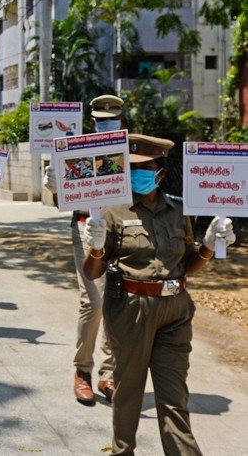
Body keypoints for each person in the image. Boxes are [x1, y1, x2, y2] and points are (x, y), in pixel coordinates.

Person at [82, 134, 236, 455]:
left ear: (161, 172)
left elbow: (187, 265)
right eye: (132, 168)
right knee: (128, 394)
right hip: (131, 309)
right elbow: (92, 272)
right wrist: (95, 247)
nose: (137, 174)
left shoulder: (179, 210)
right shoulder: (112, 212)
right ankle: (123, 450)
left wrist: (209, 245)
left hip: (175, 310)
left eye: (145, 167)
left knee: (174, 397)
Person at [43, 94, 122, 404]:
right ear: (92, 122)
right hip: (87, 227)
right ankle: (83, 371)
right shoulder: (77, 148)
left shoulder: (130, 151)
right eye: (102, 120)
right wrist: (54, 183)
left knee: (119, 299)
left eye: (112, 119)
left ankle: (109, 373)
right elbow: (64, 192)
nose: (107, 124)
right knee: (94, 299)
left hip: (121, 228)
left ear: (121, 120)